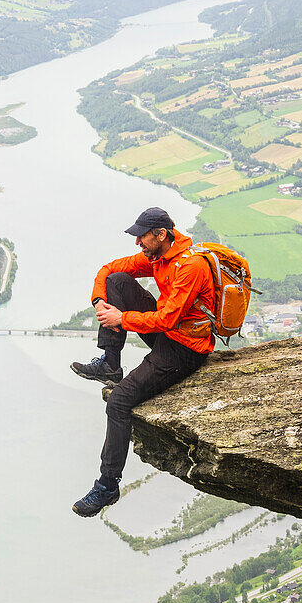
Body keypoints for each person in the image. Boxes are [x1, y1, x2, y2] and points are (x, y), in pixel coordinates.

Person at [70, 207, 215, 517]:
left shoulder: (190, 267)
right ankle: (111, 363)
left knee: (119, 402)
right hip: (170, 336)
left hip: (184, 351)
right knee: (119, 281)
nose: (138, 243)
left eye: (142, 237)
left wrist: (122, 318)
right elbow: (108, 270)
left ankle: (108, 485)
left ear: (161, 235)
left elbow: (167, 319)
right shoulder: (158, 257)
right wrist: (99, 301)